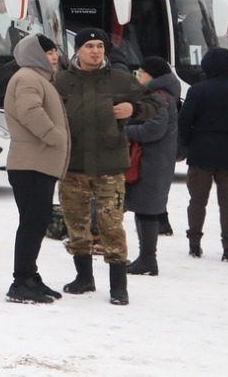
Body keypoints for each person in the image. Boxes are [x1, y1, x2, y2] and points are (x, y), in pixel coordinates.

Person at [54, 27, 161, 306]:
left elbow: (154, 103)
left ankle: (118, 286)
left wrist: (133, 110)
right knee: (76, 223)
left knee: (111, 225)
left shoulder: (120, 79)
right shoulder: (62, 82)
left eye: (100, 46)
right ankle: (84, 278)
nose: (95, 51)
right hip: (73, 166)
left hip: (109, 166)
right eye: (89, 46)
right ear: (77, 50)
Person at [3, 35, 68, 303]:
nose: (54, 57)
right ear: (34, 54)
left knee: (37, 221)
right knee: (32, 222)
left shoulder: (39, 78)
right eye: (48, 52)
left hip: (37, 162)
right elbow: (29, 112)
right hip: (31, 163)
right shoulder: (29, 77)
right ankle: (20, 282)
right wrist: (56, 137)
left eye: (54, 52)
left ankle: (30, 275)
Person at [180, 47, 228, 262]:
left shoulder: (196, 91)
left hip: (200, 154)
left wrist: (190, 142)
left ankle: (194, 243)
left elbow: (184, 122)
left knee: (197, 201)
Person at [123, 56, 179, 276]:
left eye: (141, 72)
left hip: (151, 162)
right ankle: (146, 258)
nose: (138, 76)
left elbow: (155, 129)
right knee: (145, 208)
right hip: (155, 161)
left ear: (151, 75)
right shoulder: (163, 95)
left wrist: (126, 131)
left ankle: (147, 260)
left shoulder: (157, 97)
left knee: (147, 210)